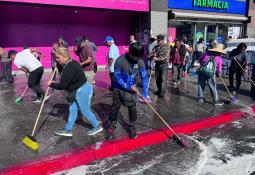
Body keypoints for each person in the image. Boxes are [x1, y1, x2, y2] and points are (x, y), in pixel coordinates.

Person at [48, 47, 103, 136]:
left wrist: (51, 84)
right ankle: (68, 129)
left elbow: (62, 86)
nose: (56, 59)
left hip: (82, 90)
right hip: (76, 90)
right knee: (72, 109)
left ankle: (97, 126)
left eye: (58, 57)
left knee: (85, 110)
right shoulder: (70, 63)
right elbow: (67, 81)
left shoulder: (69, 67)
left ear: (65, 56)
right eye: (56, 58)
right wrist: (55, 81)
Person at [106, 42, 150, 140]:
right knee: (115, 108)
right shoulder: (120, 61)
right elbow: (117, 77)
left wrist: (145, 94)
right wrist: (128, 86)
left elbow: (144, 78)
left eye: (138, 57)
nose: (136, 59)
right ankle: (111, 126)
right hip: (118, 87)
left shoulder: (140, 61)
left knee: (132, 109)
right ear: (129, 52)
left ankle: (132, 127)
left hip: (132, 88)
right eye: (135, 56)